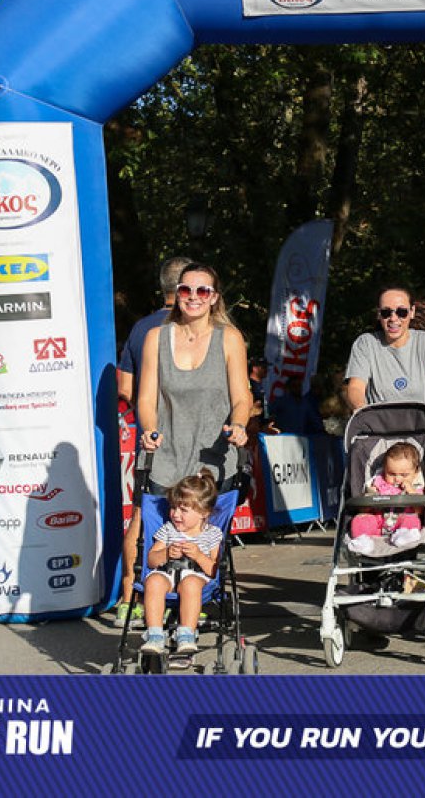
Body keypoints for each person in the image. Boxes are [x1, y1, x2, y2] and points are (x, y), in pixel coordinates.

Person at [126, 263, 251, 620]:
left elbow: (241, 397)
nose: (193, 297)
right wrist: (149, 429)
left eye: (202, 291)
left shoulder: (229, 338)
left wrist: (239, 425)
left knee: (205, 541)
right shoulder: (156, 338)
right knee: (152, 531)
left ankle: (193, 607)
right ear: (176, 294)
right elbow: (145, 398)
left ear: (214, 298)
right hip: (166, 457)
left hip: (213, 460)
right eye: (186, 290)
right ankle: (141, 603)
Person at [112, 254, 188, 628]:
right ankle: (186, 597)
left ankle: (129, 598)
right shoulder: (195, 327)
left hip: (150, 435)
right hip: (188, 436)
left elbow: (124, 389)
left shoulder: (141, 328)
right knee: (191, 515)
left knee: (142, 516)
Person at [344, 285, 425, 422]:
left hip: (421, 427)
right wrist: (360, 407)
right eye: (386, 312)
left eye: (401, 312)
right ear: (378, 314)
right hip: (378, 427)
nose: (393, 318)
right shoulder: (365, 343)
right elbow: (356, 387)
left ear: (412, 312)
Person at [138, 471, 225, 655]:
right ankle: (155, 635)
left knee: (190, 583)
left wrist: (199, 555)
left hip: (196, 577)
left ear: (204, 513)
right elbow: (151, 560)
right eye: (173, 507)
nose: (175, 514)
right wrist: (166, 553)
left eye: (183, 510)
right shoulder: (169, 530)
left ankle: (186, 634)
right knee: (153, 581)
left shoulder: (212, 534)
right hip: (167, 575)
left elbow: (214, 570)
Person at [118, 255, 190, 405]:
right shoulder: (200, 326)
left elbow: (125, 389)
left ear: (163, 285)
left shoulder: (140, 328)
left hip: (148, 417)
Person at [348, 442, 425, 555]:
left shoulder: (416, 486)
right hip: (378, 520)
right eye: (391, 474)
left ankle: (405, 535)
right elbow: (363, 509)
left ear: (415, 472)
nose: (397, 479)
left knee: (412, 519)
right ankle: (362, 541)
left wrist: (411, 493)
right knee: (359, 519)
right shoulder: (377, 482)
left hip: (401, 521)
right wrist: (370, 498)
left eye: (404, 475)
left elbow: (420, 512)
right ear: (385, 469)